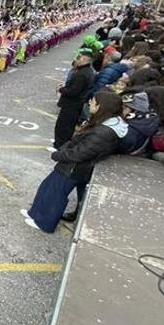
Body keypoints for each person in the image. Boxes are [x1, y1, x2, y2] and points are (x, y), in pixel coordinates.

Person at [24, 92, 128, 233]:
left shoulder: (103, 132)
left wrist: (58, 154)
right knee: (48, 188)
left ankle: (44, 223)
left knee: (55, 194)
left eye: (93, 102)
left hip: (74, 168)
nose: (90, 103)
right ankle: (35, 213)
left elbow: (79, 153)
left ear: (101, 107)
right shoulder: (104, 123)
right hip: (74, 166)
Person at [53, 50, 95, 149]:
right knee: (67, 125)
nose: (76, 60)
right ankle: (61, 143)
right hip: (76, 103)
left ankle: (59, 145)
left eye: (78, 58)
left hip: (71, 104)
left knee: (63, 125)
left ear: (84, 59)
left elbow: (73, 92)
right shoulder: (87, 71)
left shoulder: (81, 74)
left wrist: (61, 89)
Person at [116, 91, 160, 156]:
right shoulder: (147, 122)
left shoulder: (132, 129)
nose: (121, 110)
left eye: (125, 107)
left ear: (134, 111)